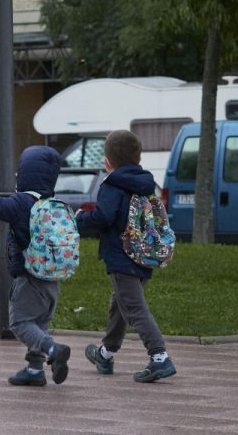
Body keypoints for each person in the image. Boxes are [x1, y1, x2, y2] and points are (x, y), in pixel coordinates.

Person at [0, 146, 72, 386]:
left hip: (29, 277)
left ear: (25, 174)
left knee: (21, 323)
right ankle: (35, 371)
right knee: (39, 324)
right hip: (52, 278)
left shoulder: (22, 202)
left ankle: (53, 350)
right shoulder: (52, 203)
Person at [75, 130, 177, 383]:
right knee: (120, 305)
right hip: (143, 253)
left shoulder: (112, 184)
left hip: (121, 256)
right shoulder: (145, 183)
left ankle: (159, 357)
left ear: (107, 162)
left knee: (134, 308)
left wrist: (79, 219)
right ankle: (106, 354)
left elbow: (104, 217)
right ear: (138, 157)